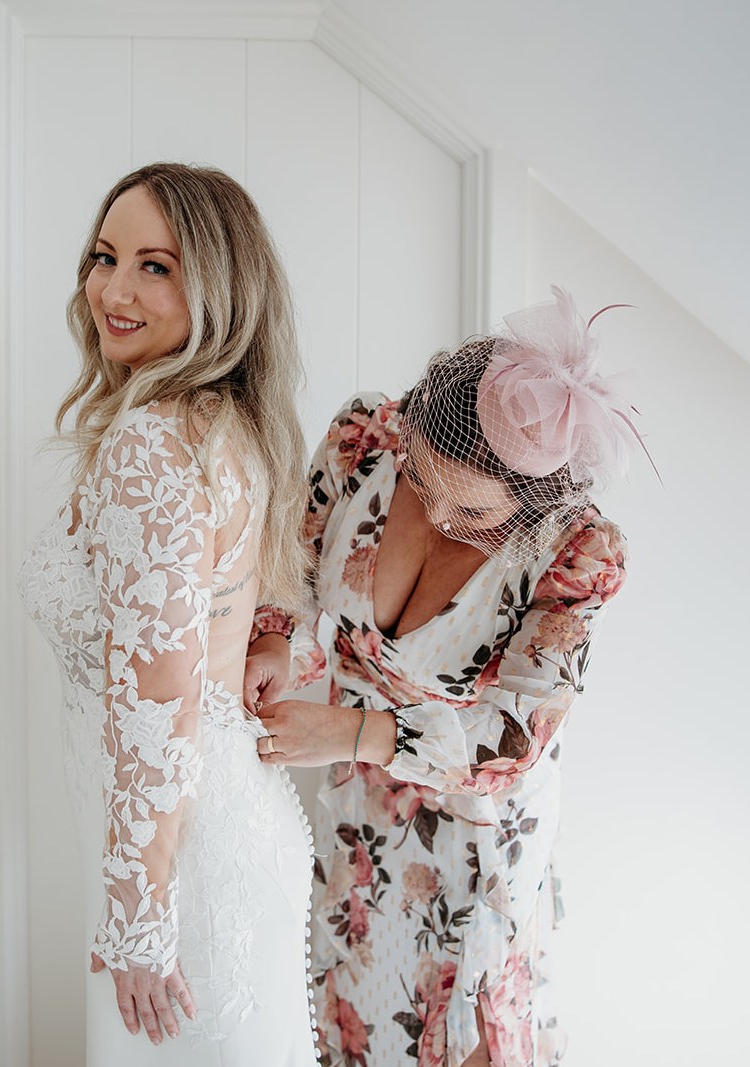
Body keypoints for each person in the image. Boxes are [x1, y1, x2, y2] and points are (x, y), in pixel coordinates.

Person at [245, 287, 648, 1067]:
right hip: (355, 813)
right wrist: (271, 641)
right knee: (347, 1016)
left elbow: (512, 736)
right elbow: (291, 566)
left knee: (454, 1033)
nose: (431, 513)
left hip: (475, 840)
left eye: (467, 512)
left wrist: (347, 730)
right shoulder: (367, 434)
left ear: (528, 507)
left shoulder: (576, 554)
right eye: (420, 479)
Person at [18, 162, 318, 1065]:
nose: (112, 288)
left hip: (181, 858)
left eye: (157, 265)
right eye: (105, 257)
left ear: (221, 289)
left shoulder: (152, 442)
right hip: (208, 825)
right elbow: (243, 597)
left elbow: (159, 696)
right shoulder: (225, 422)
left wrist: (140, 915)